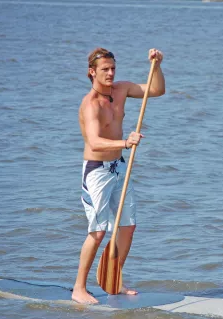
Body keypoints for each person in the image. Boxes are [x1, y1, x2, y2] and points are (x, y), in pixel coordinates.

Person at [72, 47, 165, 304]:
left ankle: (114, 280)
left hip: (119, 167)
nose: (111, 73)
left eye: (113, 68)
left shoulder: (122, 90)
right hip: (96, 172)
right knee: (99, 231)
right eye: (105, 69)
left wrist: (157, 65)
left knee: (128, 226)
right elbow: (93, 141)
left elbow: (156, 90)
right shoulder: (89, 104)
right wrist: (126, 142)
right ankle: (79, 288)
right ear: (92, 72)